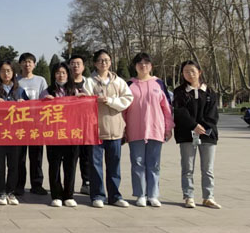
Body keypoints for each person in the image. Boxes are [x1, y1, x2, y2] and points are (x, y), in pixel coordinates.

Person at [82, 49, 133, 208]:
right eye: (100, 60)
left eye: (106, 60)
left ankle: (115, 196)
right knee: (95, 165)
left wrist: (110, 101)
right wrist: (96, 100)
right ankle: (97, 195)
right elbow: (84, 101)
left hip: (115, 129)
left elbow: (127, 99)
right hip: (95, 130)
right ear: (95, 63)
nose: (103, 63)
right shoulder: (89, 82)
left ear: (110, 62)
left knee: (114, 165)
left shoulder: (119, 81)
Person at [123, 53, 174, 208]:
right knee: (137, 163)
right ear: (135, 66)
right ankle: (140, 194)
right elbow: (123, 109)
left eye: (146, 63)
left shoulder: (158, 83)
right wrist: (123, 128)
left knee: (154, 163)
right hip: (135, 130)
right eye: (139, 63)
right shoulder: (129, 84)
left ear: (151, 66)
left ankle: (153, 195)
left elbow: (167, 107)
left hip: (155, 129)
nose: (143, 65)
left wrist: (168, 127)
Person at [172, 60, 221, 209]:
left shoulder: (210, 91)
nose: (189, 74)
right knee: (187, 168)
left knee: (208, 169)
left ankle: (208, 197)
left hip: (207, 134)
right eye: (186, 71)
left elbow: (213, 114)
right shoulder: (179, 92)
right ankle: (189, 196)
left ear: (199, 72)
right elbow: (180, 112)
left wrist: (203, 127)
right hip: (187, 134)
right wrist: (193, 126)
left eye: (192, 71)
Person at [0, 61, 28, 205]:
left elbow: (30, 110)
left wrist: (23, 104)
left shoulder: (20, 91)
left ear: (13, 73)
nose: (6, 73)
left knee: (14, 164)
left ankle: (11, 191)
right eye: (3, 71)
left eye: (9, 70)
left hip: (15, 134)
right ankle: (1, 192)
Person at [41, 62, 80, 208]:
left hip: (71, 134)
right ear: (53, 75)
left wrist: (82, 99)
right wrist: (44, 102)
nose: (61, 75)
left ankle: (69, 195)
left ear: (68, 74)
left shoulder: (75, 91)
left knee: (70, 165)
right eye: (58, 73)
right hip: (54, 134)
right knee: (54, 165)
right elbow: (40, 110)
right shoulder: (47, 92)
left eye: (64, 72)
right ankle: (56, 195)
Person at [17, 52, 48, 196]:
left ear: (34, 65)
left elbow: (44, 99)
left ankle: (37, 184)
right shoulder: (15, 81)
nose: (27, 64)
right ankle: (19, 185)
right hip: (20, 124)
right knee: (19, 157)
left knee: (36, 156)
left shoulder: (40, 80)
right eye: (24, 61)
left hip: (36, 124)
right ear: (20, 64)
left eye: (30, 61)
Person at [68, 54, 92, 195]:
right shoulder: (65, 83)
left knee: (87, 155)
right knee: (72, 156)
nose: (75, 66)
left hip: (87, 124)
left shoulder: (89, 83)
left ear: (83, 67)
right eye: (73, 63)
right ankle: (69, 185)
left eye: (78, 63)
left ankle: (86, 182)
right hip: (70, 125)